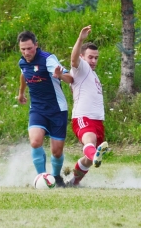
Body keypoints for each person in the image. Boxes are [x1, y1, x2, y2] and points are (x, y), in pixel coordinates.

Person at [17, 30, 73, 187]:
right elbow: (23, 75)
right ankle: (42, 177)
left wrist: (60, 75)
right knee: (35, 142)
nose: (26, 52)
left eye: (29, 48)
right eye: (23, 49)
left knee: (56, 151)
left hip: (57, 109)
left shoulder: (48, 60)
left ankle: (56, 177)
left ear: (36, 45)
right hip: (37, 109)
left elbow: (70, 78)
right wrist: (21, 93)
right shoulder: (22, 62)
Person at [68, 25, 108, 186]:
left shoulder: (93, 74)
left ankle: (73, 183)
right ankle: (94, 155)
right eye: (90, 57)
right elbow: (73, 60)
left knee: (88, 158)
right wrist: (80, 39)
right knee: (89, 142)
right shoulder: (81, 68)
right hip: (83, 117)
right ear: (83, 57)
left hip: (97, 121)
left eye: (96, 58)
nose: (93, 61)